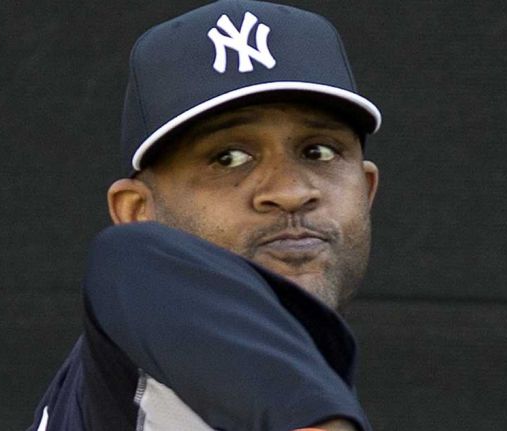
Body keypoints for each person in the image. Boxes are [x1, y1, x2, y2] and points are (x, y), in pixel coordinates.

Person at [28, 1, 381, 430]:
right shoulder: (132, 350)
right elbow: (132, 262)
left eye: (318, 151)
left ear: (366, 191)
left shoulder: (303, 373)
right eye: (229, 157)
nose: (291, 192)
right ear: (138, 213)